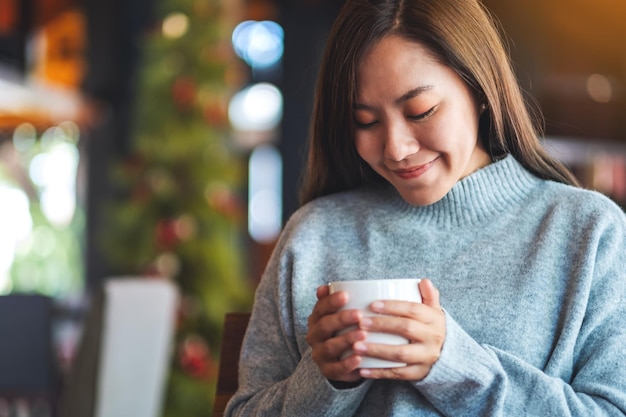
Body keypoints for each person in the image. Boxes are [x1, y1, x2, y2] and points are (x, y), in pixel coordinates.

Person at [225, 0, 626, 415]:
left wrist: (456, 368)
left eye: (421, 111)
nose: (396, 148)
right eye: (365, 121)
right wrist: (324, 380)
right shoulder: (314, 235)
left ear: (481, 90)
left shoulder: (589, 232)